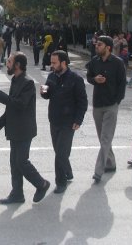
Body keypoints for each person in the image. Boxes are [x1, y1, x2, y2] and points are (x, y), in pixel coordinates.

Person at [0, 52, 50, 204]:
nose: (6, 63)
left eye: (9, 61)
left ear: (17, 65)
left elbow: (19, 105)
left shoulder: (27, 82)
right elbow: (11, 107)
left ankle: (41, 184)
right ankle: (17, 194)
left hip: (24, 129)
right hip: (15, 129)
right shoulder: (15, 80)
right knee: (14, 163)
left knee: (21, 161)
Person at [40, 50, 88, 193]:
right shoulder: (51, 76)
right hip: (54, 120)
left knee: (61, 153)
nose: (52, 65)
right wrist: (44, 92)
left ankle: (61, 182)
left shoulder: (75, 79)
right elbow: (48, 95)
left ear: (64, 63)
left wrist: (79, 119)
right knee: (59, 150)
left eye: (54, 63)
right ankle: (68, 172)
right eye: (51, 62)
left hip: (69, 122)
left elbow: (83, 101)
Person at [86, 35, 126, 183]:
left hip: (111, 105)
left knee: (105, 138)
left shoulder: (118, 63)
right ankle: (111, 163)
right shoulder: (94, 61)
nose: (97, 46)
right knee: (102, 138)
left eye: (100, 45)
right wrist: (94, 79)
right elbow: (89, 76)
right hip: (97, 104)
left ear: (108, 47)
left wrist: (117, 101)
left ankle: (98, 171)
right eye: (96, 44)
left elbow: (123, 84)